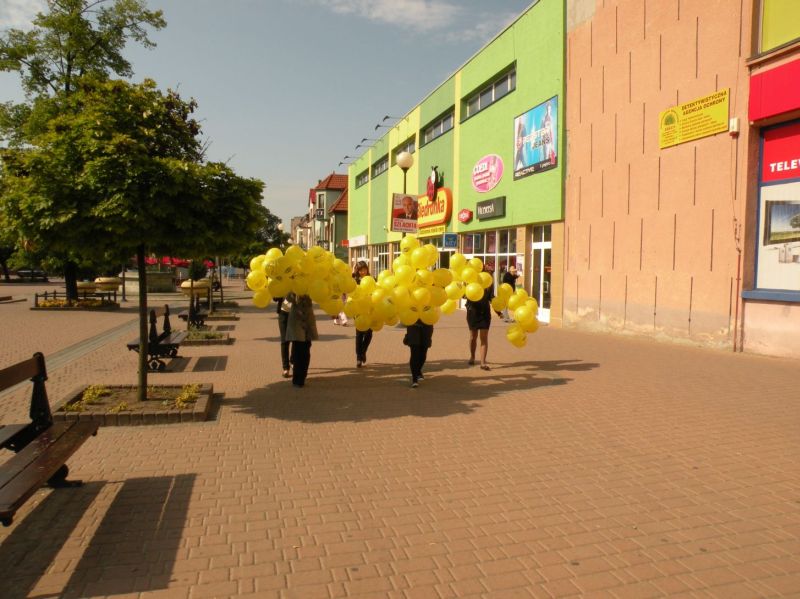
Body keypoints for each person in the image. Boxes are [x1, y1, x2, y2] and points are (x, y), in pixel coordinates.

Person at [466, 268, 500, 370]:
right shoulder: (472, 282)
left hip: (484, 313)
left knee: (484, 338)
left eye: (490, 274)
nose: (489, 275)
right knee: (473, 336)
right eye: (488, 273)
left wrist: (498, 311)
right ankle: (472, 356)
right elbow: (465, 295)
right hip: (473, 312)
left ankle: (482, 362)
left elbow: (491, 298)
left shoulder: (489, 284)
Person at [284, 292, 318, 388]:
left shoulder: (310, 288)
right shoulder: (292, 290)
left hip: (307, 321)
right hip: (297, 322)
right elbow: (287, 302)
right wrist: (293, 293)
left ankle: (302, 376)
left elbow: (317, 296)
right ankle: (297, 378)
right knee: (298, 351)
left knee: (306, 350)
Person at [353, 261, 372, 367]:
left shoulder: (371, 279)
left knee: (369, 334)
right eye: (360, 270)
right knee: (359, 334)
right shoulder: (356, 281)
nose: (362, 272)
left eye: (364, 269)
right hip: (358, 310)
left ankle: (363, 352)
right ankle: (359, 358)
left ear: (367, 269)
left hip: (369, 310)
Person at [404, 319, 433, 388]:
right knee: (415, 353)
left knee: (423, 353)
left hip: (427, 325)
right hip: (413, 325)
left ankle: (418, 371)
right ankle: (414, 379)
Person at [274, 296, 291, 378]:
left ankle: (293, 360)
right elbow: (275, 298)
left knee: (296, 340)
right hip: (283, 314)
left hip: (296, 313)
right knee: (284, 341)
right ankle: (286, 368)